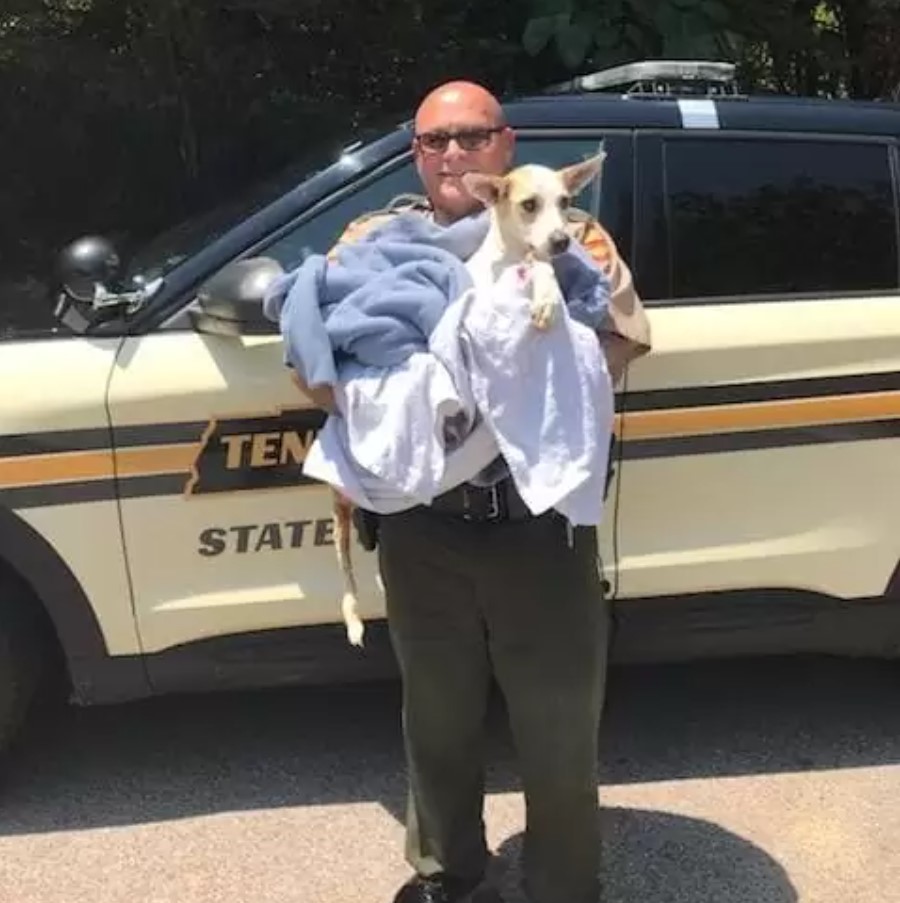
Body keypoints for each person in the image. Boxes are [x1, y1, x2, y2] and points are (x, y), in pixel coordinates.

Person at [292, 81, 651, 903]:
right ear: (415, 154)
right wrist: (410, 402)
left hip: (540, 525)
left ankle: (564, 887)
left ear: (506, 145)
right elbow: (321, 357)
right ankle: (448, 876)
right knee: (436, 719)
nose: (453, 153)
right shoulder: (373, 238)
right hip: (425, 524)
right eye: (434, 141)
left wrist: (518, 380)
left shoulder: (570, 229)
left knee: (559, 726)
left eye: (472, 135)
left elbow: (616, 344)